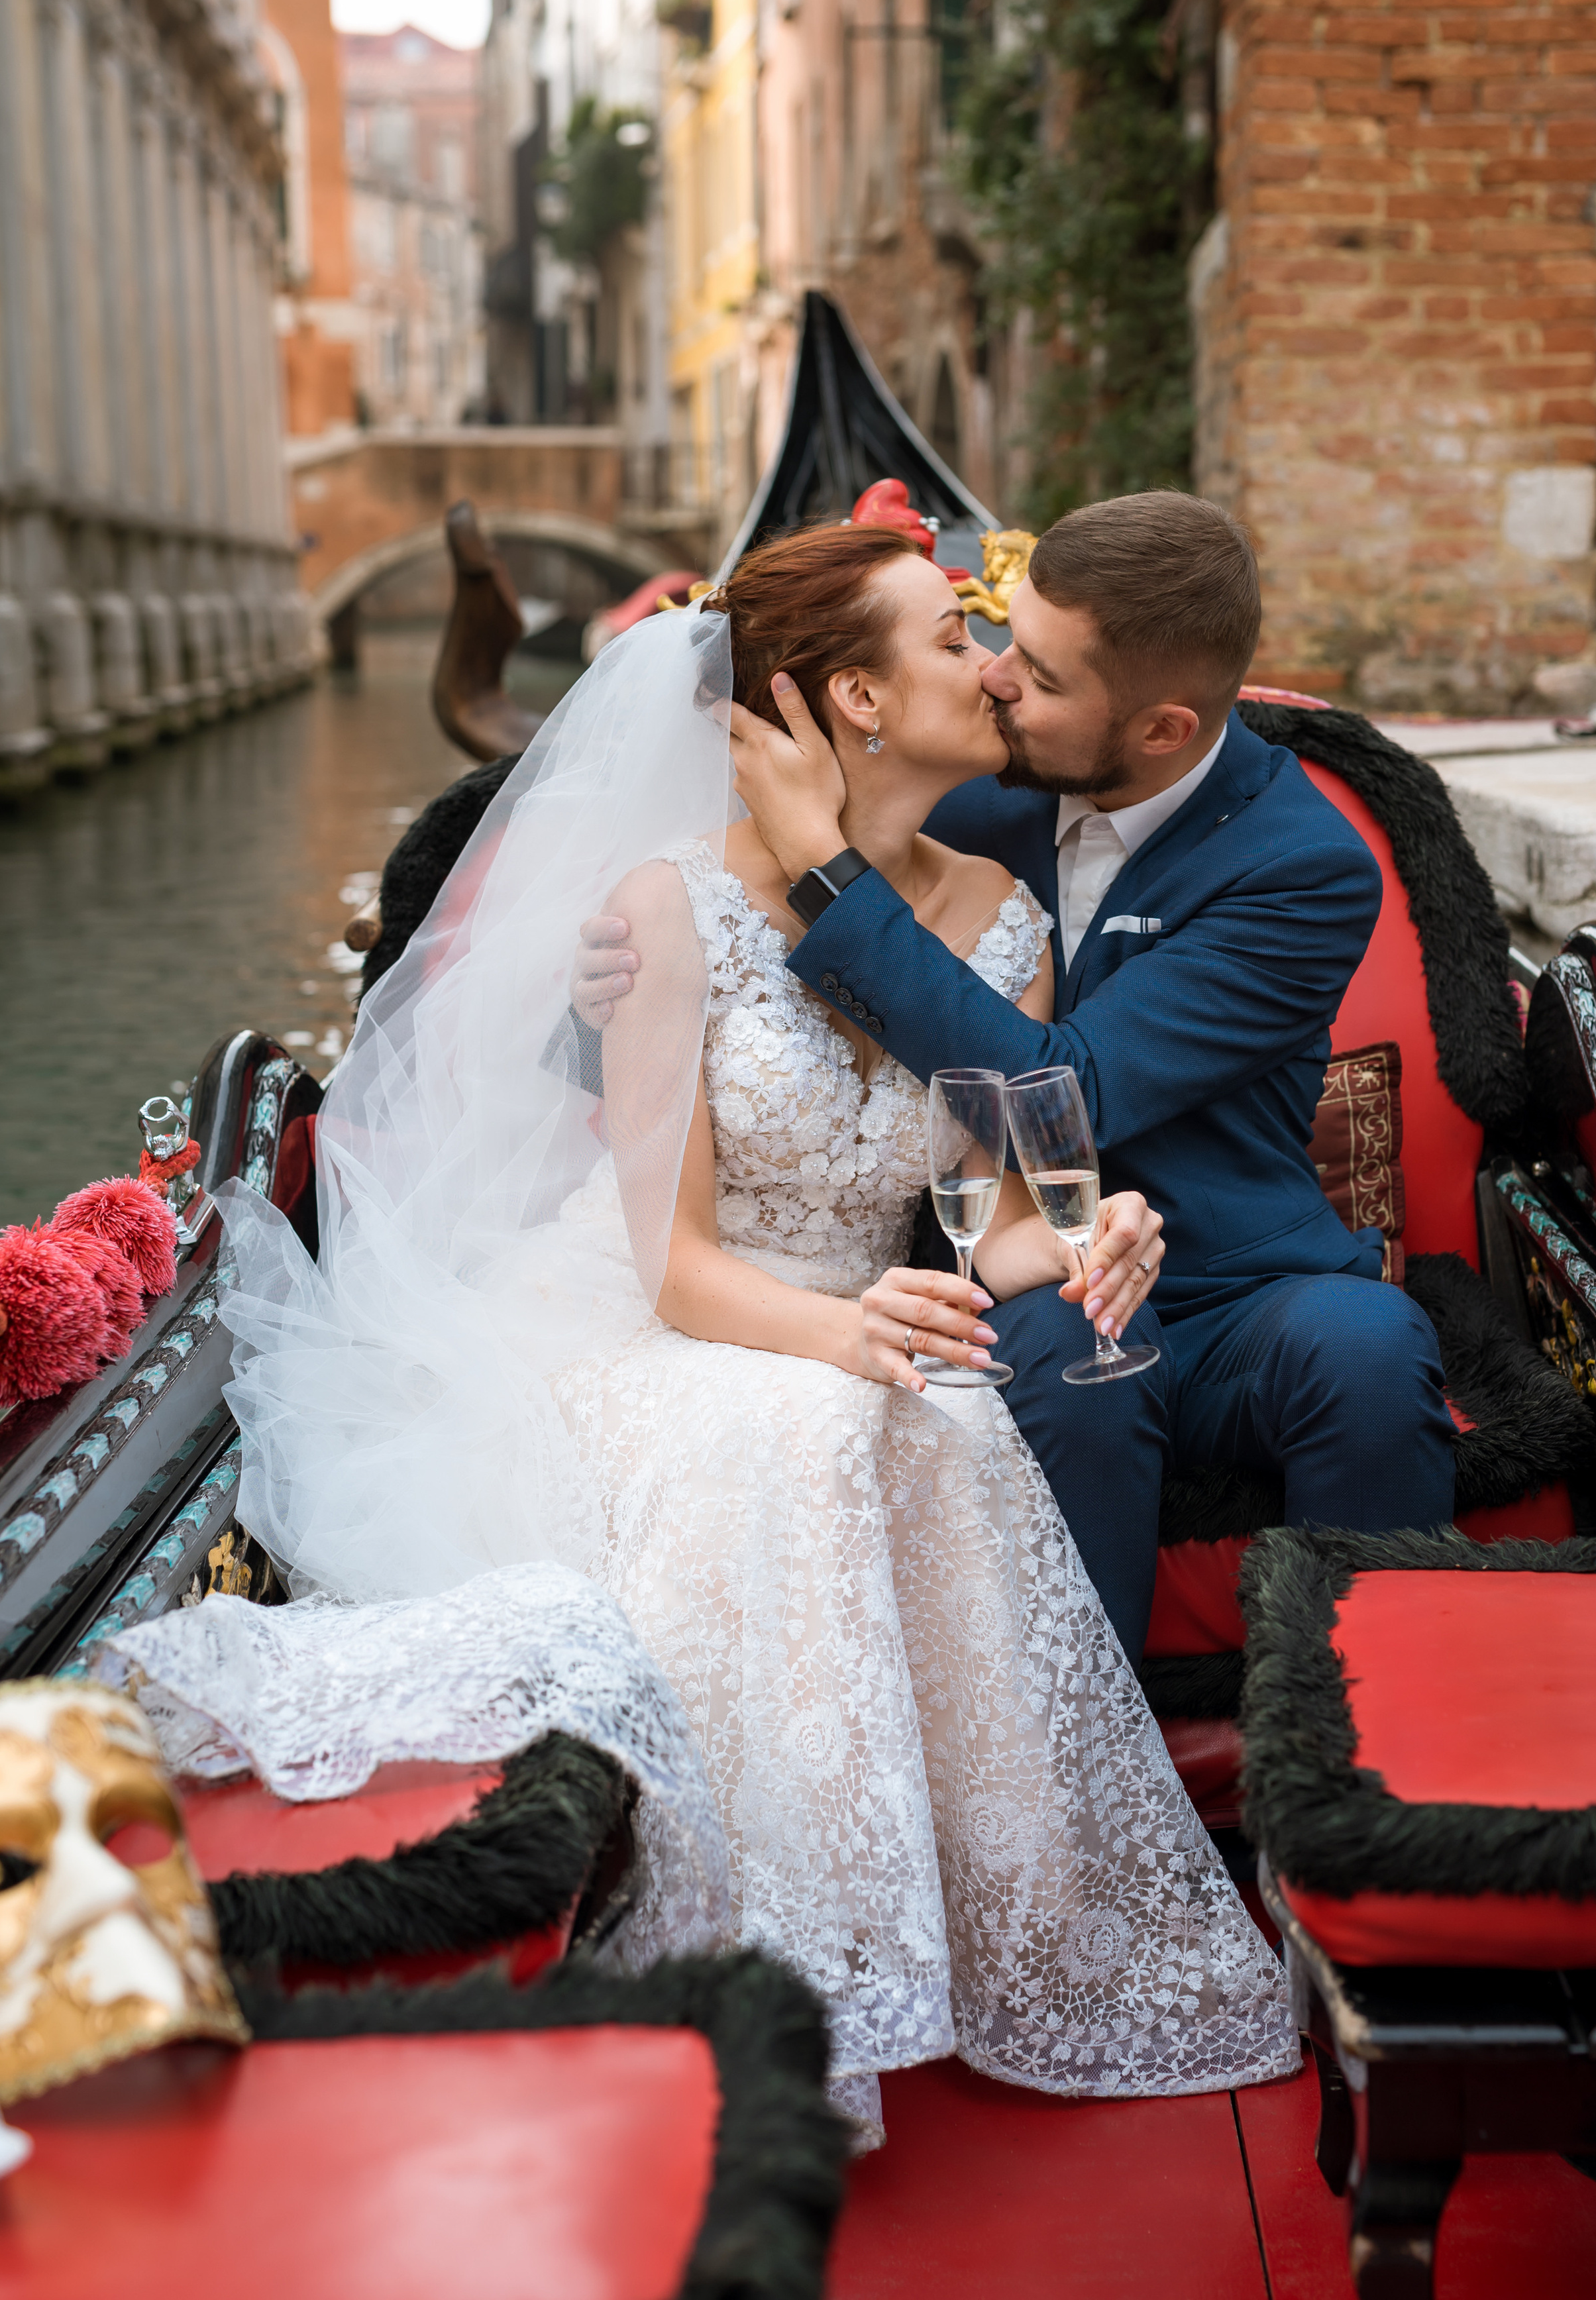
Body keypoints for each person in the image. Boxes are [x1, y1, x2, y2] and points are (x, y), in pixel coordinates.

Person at [213, 523, 1295, 2139]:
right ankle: (783, 1993)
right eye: (952, 642)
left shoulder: (1002, 905)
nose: (989, 668)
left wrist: (1087, 1232)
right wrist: (843, 1331)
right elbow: (671, 1268)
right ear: (853, 697)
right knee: (825, 1420)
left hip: (840, 1311)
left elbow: (996, 1212)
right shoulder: (669, 908)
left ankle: (985, 1920)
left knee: (936, 1407)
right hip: (660, 1315)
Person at [581, 494, 1457, 1668]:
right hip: (1023, 1268)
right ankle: (1094, 1764)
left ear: (1160, 727)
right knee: (1060, 1366)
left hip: (1235, 1288)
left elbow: (1062, 1084)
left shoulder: (1303, 866)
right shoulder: (982, 779)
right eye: (989, 641)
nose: (995, 680)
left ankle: (1368, 1759)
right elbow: (705, 924)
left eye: (1036, 672)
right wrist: (592, 985)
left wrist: (833, 876)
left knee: (1371, 1345)